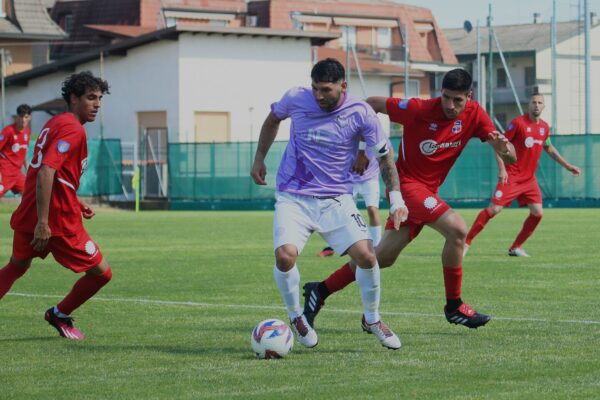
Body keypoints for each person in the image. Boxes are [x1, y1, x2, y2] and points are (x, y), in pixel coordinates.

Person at [303, 68, 516, 331]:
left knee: (383, 258)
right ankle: (454, 306)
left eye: (457, 100)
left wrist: (505, 150)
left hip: (428, 192)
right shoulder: (418, 108)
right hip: (406, 187)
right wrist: (361, 149)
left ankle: (320, 290)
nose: (450, 105)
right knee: (458, 230)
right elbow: (370, 105)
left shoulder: (475, 114)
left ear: (468, 96)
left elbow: (512, 156)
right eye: (446, 97)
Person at [250, 58, 408, 350]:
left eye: (326, 89)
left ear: (343, 86)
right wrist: (259, 157)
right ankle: (297, 316)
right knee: (285, 257)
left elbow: (385, 156)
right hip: (294, 195)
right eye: (315, 89)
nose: (319, 96)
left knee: (367, 256)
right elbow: (273, 118)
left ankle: (373, 319)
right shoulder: (296, 98)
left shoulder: (360, 112)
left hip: (337, 197)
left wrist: (396, 198)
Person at [0, 71, 111, 340]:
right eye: (90, 98)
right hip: (57, 222)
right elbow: (47, 171)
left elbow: (54, 174)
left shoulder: (57, 122)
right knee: (102, 273)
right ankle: (59, 314)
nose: (96, 104)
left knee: (16, 266)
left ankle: (59, 315)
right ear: (73, 99)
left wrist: (74, 198)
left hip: (33, 212)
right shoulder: (72, 129)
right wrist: (43, 223)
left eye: (99, 98)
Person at [464, 93, 581, 257]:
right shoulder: (518, 124)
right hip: (511, 175)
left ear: (544, 106)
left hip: (529, 179)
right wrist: (502, 169)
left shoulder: (544, 128)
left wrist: (568, 166)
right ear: (529, 105)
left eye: (540, 102)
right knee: (494, 209)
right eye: (534, 102)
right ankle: (466, 242)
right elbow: (499, 144)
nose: (537, 105)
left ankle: (515, 247)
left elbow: (549, 148)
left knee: (538, 213)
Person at [318, 145, 382, 257]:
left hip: (370, 179)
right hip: (350, 179)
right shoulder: (349, 132)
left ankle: (377, 247)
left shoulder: (374, 132)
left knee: (372, 210)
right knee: (342, 212)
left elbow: (385, 153)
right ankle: (331, 247)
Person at [0, 104, 32, 199]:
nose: (23, 120)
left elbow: (23, 152)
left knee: (30, 195)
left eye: (26, 117)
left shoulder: (27, 132)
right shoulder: (8, 131)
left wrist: (28, 169)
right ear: (17, 117)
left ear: (29, 117)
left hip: (17, 173)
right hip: (5, 171)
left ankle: (22, 214)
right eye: (21, 116)